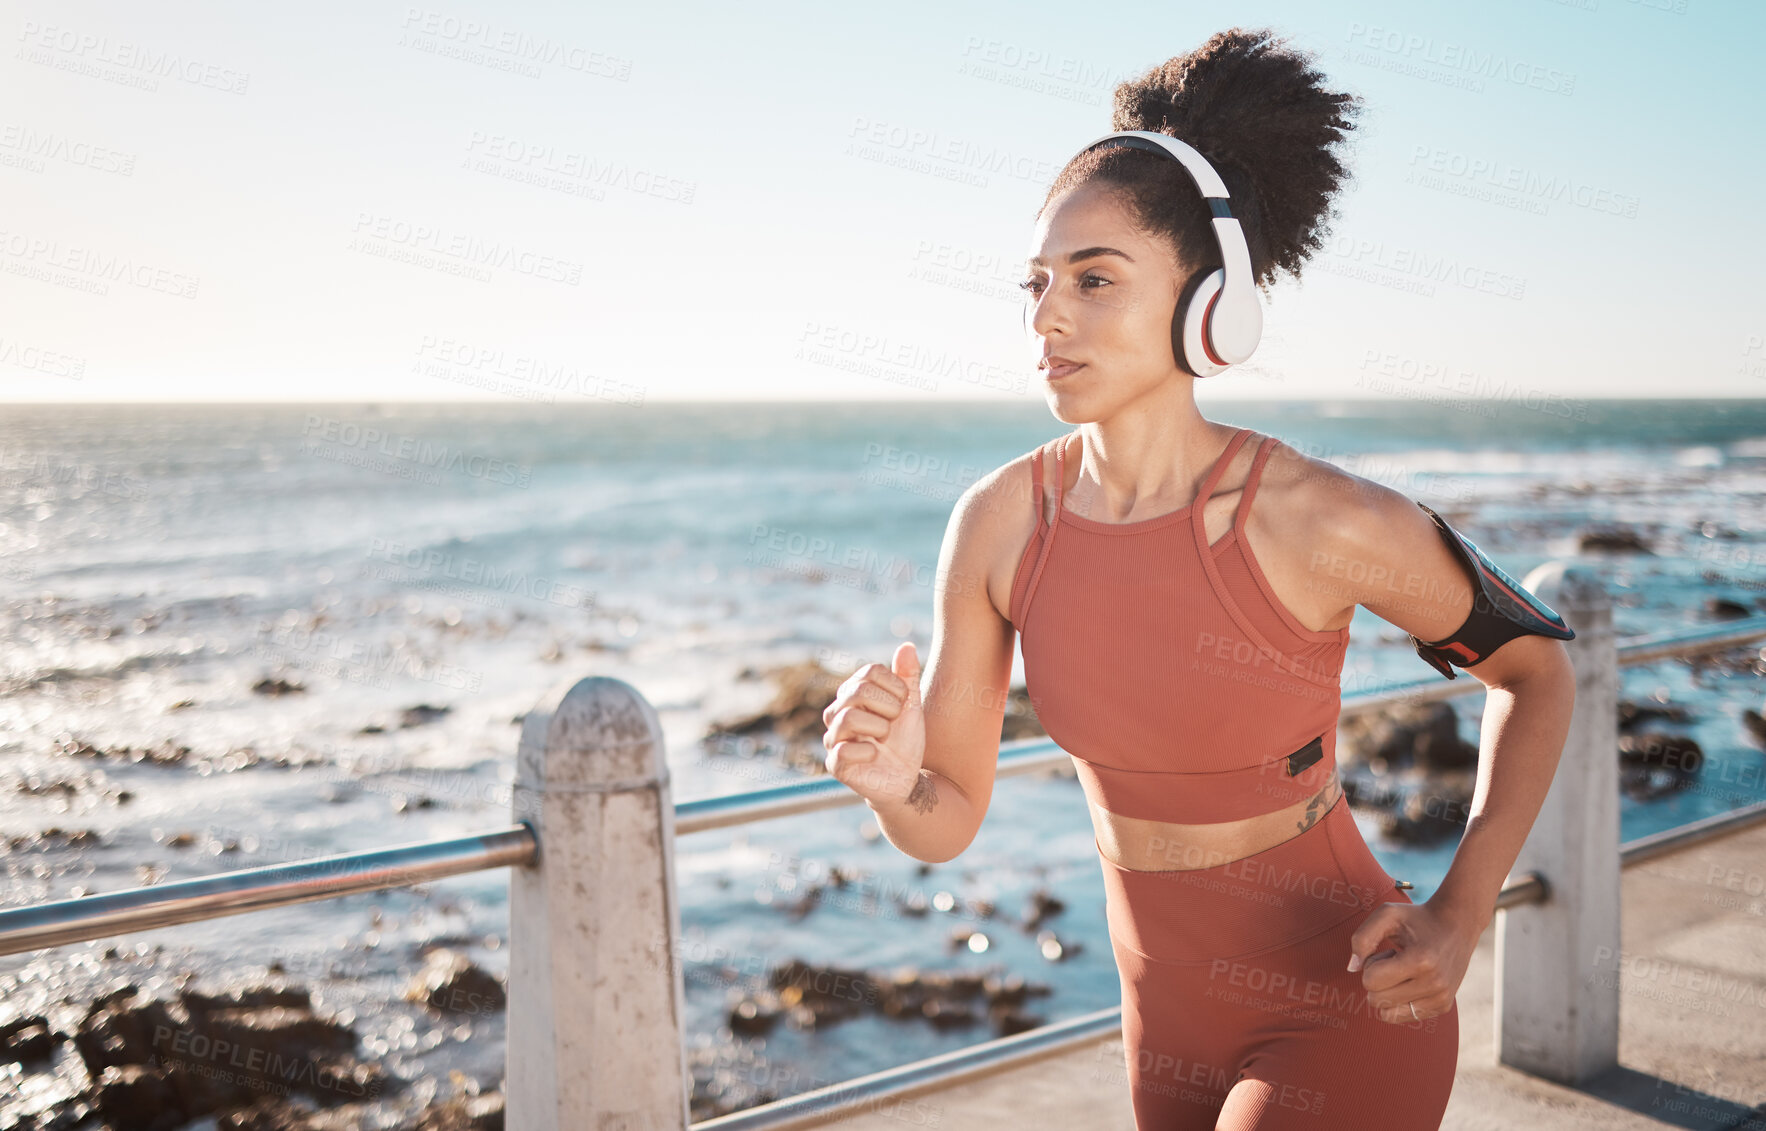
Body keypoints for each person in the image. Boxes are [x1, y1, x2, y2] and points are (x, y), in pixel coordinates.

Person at [821, 27, 1578, 1131]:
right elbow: (950, 818)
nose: (1045, 317)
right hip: (1159, 1029)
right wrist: (893, 786)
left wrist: (1460, 912)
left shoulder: (1315, 516)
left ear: (1209, 304)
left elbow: (1532, 668)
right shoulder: (993, 526)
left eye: (1092, 280)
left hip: (1346, 1003)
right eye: (1034, 285)